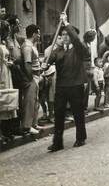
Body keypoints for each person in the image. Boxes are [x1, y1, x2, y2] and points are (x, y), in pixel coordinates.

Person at [44, 13, 89, 152]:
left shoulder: (79, 50)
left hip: (76, 85)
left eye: (67, 34)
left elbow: (76, 39)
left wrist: (66, 23)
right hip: (62, 87)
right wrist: (45, 65)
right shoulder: (57, 50)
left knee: (77, 113)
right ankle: (58, 142)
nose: (65, 36)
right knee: (59, 114)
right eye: (63, 34)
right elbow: (49, 61)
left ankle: (80, 137)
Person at [20, 24, 41, 135]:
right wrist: (31, 78)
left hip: (36, 76)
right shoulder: (27, 46)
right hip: (31, 77)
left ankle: (34, 123)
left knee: (35, 101)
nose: (39, 35)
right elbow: (27, 64)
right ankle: (27, 126)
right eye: (38, 33)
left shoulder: (31, 45)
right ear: (34, 34)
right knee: (30, 101)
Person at [0, 20, 18, 142]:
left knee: (7, 101)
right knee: (2, 101)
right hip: (2, 74)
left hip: (7, 73)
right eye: (6, 30)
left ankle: (6, 131)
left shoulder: (3, 42)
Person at [39, 35, 63, 123]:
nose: (62, 40)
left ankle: (54, 114)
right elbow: (47, 63)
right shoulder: (49, 49)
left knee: (56, 95)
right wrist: (47, 74)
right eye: (59, 38)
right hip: (51, 73)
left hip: (60, 73)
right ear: (54, 39)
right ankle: (48, 114)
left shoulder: (63, 49)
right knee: (49, 96)